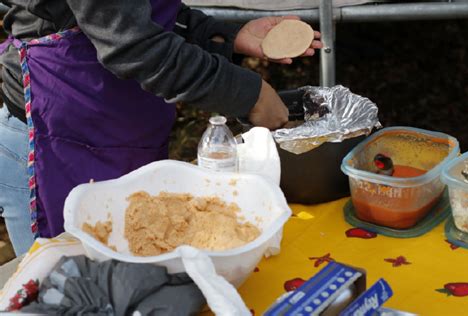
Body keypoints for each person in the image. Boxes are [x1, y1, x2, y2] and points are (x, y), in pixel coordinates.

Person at [0, 0, 322, 255]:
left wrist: (226, 36)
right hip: (52, 147)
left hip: (121, 132)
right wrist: (249, 95)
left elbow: (140, 13)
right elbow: (132, 44)